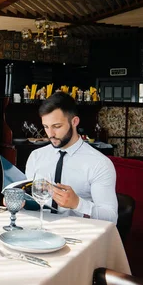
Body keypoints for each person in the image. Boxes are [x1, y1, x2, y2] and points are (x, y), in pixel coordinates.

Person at [25, 92, 118, 223]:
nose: (50, 134)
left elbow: (111, 218)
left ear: (74, 122)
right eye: (46, 127)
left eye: (57, 126)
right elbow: (32, 201)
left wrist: (78, 203)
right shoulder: (36, 157)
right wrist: (19, 201)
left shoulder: (99, 163)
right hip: (38, 229)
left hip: (79, 234)